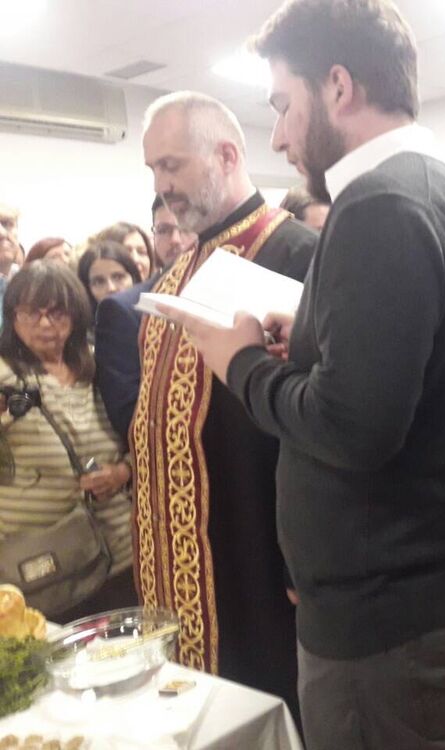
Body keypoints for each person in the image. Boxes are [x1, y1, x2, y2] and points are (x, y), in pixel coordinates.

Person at [160, 3, 445, 748]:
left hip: (385, 611)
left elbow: (354, 430)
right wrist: (308, 345)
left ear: (338, 87)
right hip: (421, 587)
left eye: (284, 104)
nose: (279, 135)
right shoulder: (426, 185)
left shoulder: (379, 204)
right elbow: (395, 382)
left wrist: (241, 363)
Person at [133, 91, 315, 718]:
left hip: (258, 551)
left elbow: (318, 424)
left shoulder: (300, 255)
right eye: (153, 169)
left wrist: (305, 558)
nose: (161, 186)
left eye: (172, 165)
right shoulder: (172, 276)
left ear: (227, 155)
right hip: (172, 558)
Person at [0, 261, 134, 620]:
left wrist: (122, 472)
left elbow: (141, 434)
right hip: (40, 567)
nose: (45, 324)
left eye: (57, 313)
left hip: (118, 551)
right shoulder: (4, 374)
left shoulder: (99, 366)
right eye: (31, 313)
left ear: (76, 314)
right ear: (13, 317)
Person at [94, 197, 197, 443]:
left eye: (184, 227)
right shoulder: (123, 309)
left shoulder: (232, 296)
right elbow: (128, 415)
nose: (175, 239)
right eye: (164, 230)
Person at [77, 241, 142, 314]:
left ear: (133, 277)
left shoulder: (150, 316)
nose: (111, 288)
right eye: (99, 282)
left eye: (118, 277)